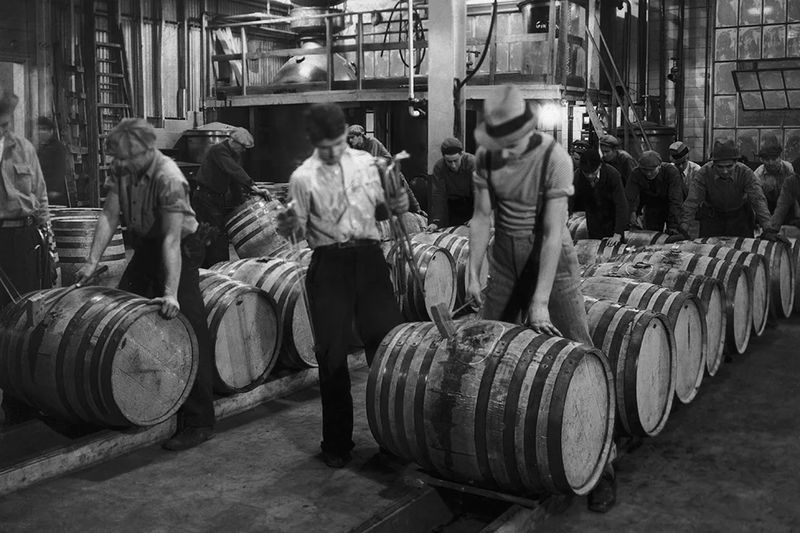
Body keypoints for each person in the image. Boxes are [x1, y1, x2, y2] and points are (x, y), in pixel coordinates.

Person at [466, 85, 617, 513]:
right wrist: (473, 269)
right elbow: (481, 217)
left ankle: (604, 465)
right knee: (490, 355)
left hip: (554, 260)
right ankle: (505, 459)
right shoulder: (486, 157)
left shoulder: (555, 158)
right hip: (505, 259)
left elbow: (552, 233)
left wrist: (539, 301)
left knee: (580, 352)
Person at [276, 104, 408, 469]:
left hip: (369, 258)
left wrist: (393, 202)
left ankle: (393, 439)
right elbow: (294, 229)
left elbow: (382, 211)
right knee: (331, 354)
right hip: (329, 263)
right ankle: (336, 443)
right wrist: (288, 223)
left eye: (337, 142)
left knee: (385, 347)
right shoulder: (303, 177)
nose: (333, 150)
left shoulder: (366, 164)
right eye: (325, 144)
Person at [77, 118, 215, 451]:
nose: (119, 164)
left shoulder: (169, 178)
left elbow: (171, 240)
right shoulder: (123, 167)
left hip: (181, 246)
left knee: (188, 325)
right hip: (147, 245)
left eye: (125, 158)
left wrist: (170, 293)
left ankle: (199, 420)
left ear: (145, 151)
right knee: (123, 317)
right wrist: (92, 261)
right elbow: (110, 214)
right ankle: (137, 399)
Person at [0, 90, 50, 309]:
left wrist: (48, 240)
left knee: (25, 304)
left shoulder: (24, 148)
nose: (2, 130)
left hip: (24, 238)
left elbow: (40, 194)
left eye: (4, 124)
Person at [191, 127, 266, 267]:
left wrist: (242, 203)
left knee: (217, 236)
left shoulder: (233, 154)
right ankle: (215, 268)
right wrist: (252, 185)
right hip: (205, 198)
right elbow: (233, 169)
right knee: (214, 236)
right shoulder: (218, 150)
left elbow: (233, 179)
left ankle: (213, 267)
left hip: (216, 198)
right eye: (242, 147)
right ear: (233, 141)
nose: (243, 150)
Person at [680, 140, 780, 240]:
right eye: (720, 167)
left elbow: (758, 200)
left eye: (729, 166)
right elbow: (692, 201)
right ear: (713, 163)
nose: (725, 171)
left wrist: (768, 229)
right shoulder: (703, 174)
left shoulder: (745, 173)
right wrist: (683, 229)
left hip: (740, 218)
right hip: (713, 218)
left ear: (736, 162)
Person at [347, 123, 422, 215]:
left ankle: (417, 209)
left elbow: (370, 163)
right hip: (378, 171)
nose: (350, 140)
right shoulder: (355, 147)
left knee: (402, 187)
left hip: (388, 169)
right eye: (349, 138)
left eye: (352, 137)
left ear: (360, 136)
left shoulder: (372, 142)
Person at [570, 148, 628, 242]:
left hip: (612, 216)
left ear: (600, 166)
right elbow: (568, 201)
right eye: (586, 173)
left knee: (614, 245)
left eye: (593, 172)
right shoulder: (577, 176)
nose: (590, 176)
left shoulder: (612, 174)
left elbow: (621, 205)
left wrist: (618, 233)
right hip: (593, 217)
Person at [625, 151, 684, 233]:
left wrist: (673, 226)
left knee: (675, 232)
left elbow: (676, 199)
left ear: (659, 166)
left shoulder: (671, 171)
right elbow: (630, 197)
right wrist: (632, 212)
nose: (648, 174)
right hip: (652, 205)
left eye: (651, 170)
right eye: (645, 170)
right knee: (651, 233)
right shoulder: (636, 173)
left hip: (671, 203)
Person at [427, 137, 476, 230]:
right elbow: (438, 195)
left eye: (455, 161)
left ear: (462, 154)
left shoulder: (473, 163)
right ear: (444, 157)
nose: (453, 165)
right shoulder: (439, 167)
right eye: (449, 162)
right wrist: (436, 222)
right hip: (454, 205)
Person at [754, 135, 795, 214]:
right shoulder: (757, 175)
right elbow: (759, 203)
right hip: (767, 207)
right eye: (767, 159)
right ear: (761, 159)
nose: (771, 163)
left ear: (780, 157)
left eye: (774, 159)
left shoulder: (789, 169)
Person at [36, 116, 72, 206]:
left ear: (51, 131)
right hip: (43, 191)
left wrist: (55, 189)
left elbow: (60, 169)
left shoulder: (57, 148)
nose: (41, 132)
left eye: (44, 129)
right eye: (39, 129)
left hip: (55, 194)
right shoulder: (41, 149)